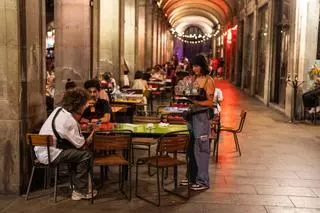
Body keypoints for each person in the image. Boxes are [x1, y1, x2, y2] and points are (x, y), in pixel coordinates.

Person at [35, 87, 96, 200]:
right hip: (51, 155)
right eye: (85, 104)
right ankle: (79, 191)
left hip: (41, 151)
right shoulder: (69, 120)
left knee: (76, 154)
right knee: (86, 155)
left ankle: (75, 185)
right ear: (79, 105)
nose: (86, 107)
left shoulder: (57, 111)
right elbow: (81, 145)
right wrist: (92, 136)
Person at [181, 54, 215, 191]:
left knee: (201, 149)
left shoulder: (209, 81)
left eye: (197, 66)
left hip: (201, 117)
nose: (195, 68)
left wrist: (196, 102)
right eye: (193, 66)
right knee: (191, 148)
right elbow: (188, 93)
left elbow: (209, 102)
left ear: (203, 66)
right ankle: (191, 177)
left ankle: (203, 181)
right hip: (192, 115)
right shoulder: (194, 79)